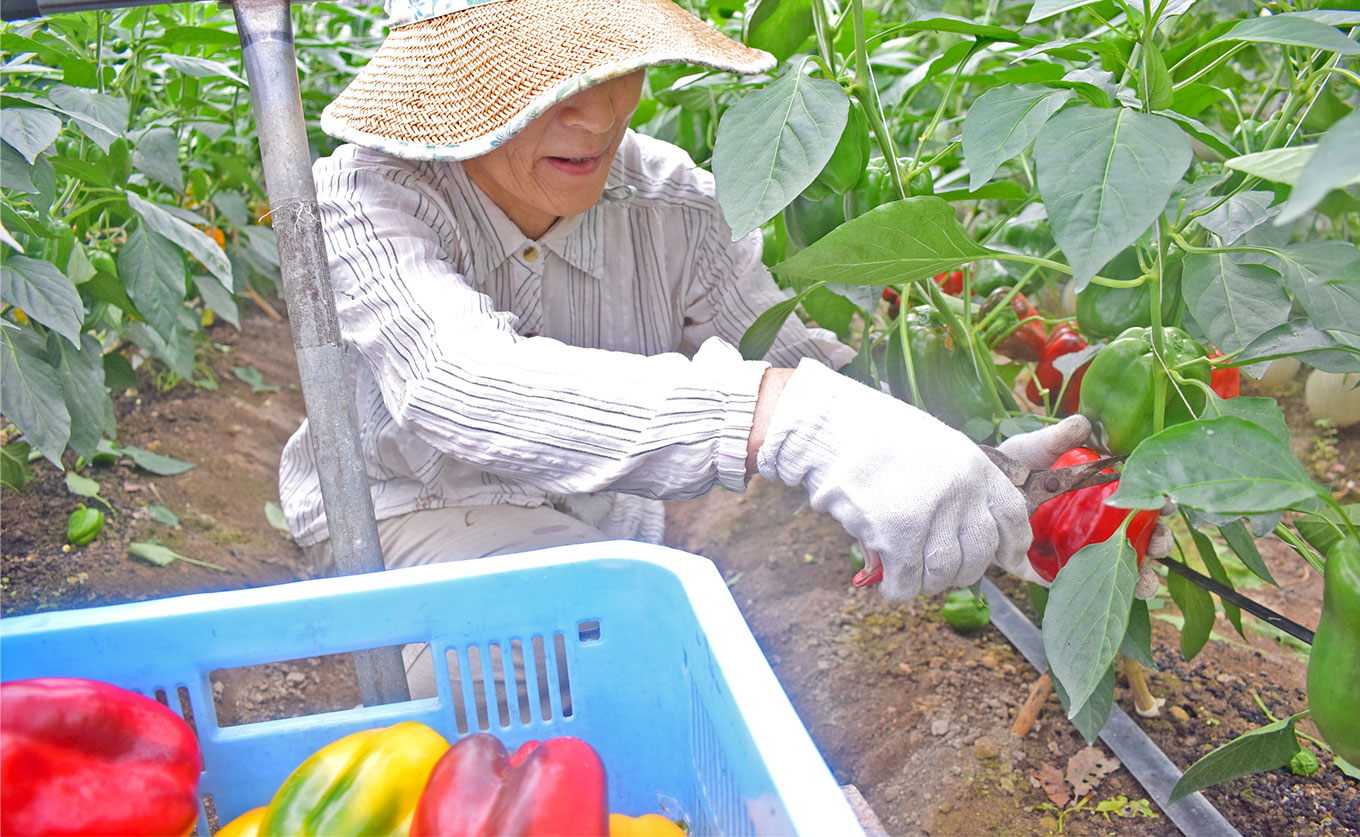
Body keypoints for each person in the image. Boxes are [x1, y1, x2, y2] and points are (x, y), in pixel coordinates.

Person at [278, 0, 1132, 692]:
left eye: (614, 64)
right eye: (539, 82)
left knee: (646, 651)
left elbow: (798, 359)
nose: (597, 109)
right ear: (456, 87)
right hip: (409, 517)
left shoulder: (673, 204)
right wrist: (783, 417)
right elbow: (460, 384)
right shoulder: (363, 194)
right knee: (600, 664)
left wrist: (961, 456)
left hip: (607, 528)